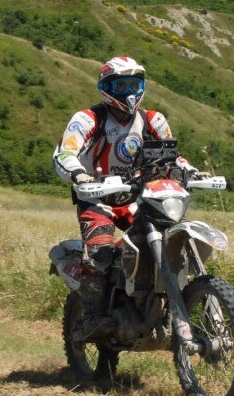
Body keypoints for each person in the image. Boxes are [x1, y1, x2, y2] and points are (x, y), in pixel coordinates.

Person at [52, 55, 202, 337]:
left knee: (169, 238)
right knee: (100, 252)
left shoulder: (153, 120)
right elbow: (65, 153)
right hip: (98, 197)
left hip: (139, 197)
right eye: (121, 86)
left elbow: (172, 157)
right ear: (106, 87)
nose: (130, 92)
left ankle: (159, 298)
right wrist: (79, 175)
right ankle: (93, 317)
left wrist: (192, 171)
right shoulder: (88, 119)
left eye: (134, 84)